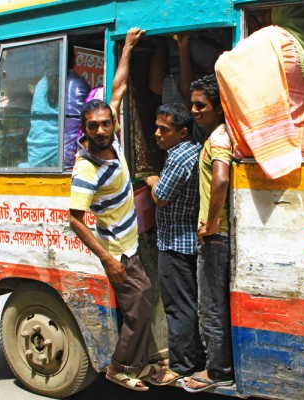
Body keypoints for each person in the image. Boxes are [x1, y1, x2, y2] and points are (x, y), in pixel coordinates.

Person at [68, 27, 160, 392]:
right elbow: (75, 220)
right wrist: (107, 259)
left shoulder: (114, 138)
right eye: (95, 126)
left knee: (145, 298)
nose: (103, 130)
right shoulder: (86, 168)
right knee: (139, 306)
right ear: (85, 130)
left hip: (130, 241)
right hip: (118, 250)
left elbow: (118, 89)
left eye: (106, 123)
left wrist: (128, 50)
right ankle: (120, 368)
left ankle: (142, 363)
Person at [215, 5, 304, 179]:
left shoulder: (275, 36)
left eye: (267, 10)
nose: (263, 15)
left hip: (279, 142)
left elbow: (226, 64)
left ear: (280, 12)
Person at [143, 103, 202, 385]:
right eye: (156, 127)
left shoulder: (178, 157)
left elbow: (161, 197)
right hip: (187, 240)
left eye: (163, 130)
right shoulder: (194, 149)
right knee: (188, 303)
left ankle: (181, 366)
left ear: (182, 132)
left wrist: (153, 180)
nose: (156, 134)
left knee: (178, 307)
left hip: (176, 243)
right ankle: (189, 357)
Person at [182, 75, 234, 393]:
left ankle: (218, 371)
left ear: (217, 107)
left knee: (211, 306)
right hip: (217, 235)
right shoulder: (220, 134)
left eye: (200, 105)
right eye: (192, 104)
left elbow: (221, 180)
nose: (194, 110)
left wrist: (211, 223)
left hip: (217, 237)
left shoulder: (219, 138)